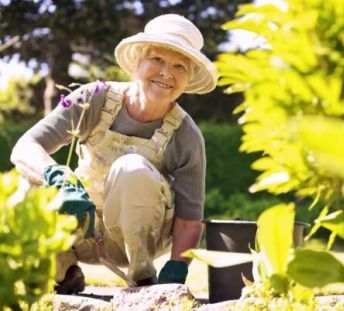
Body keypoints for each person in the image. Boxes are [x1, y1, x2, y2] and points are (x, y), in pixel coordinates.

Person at [10, 13, 218, 293]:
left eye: (179, 66)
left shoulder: (186, 136)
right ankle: (62, 271)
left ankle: (142, 278)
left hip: (137, 241)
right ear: (138, 63)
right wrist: (56, 177)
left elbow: (190, 220)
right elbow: (25, 147)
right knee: (26, 183)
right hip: (78, 227)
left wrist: (177, 266)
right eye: (157, 59)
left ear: (188, 77)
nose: (166, 73)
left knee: (132, 167)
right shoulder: (92, 98)